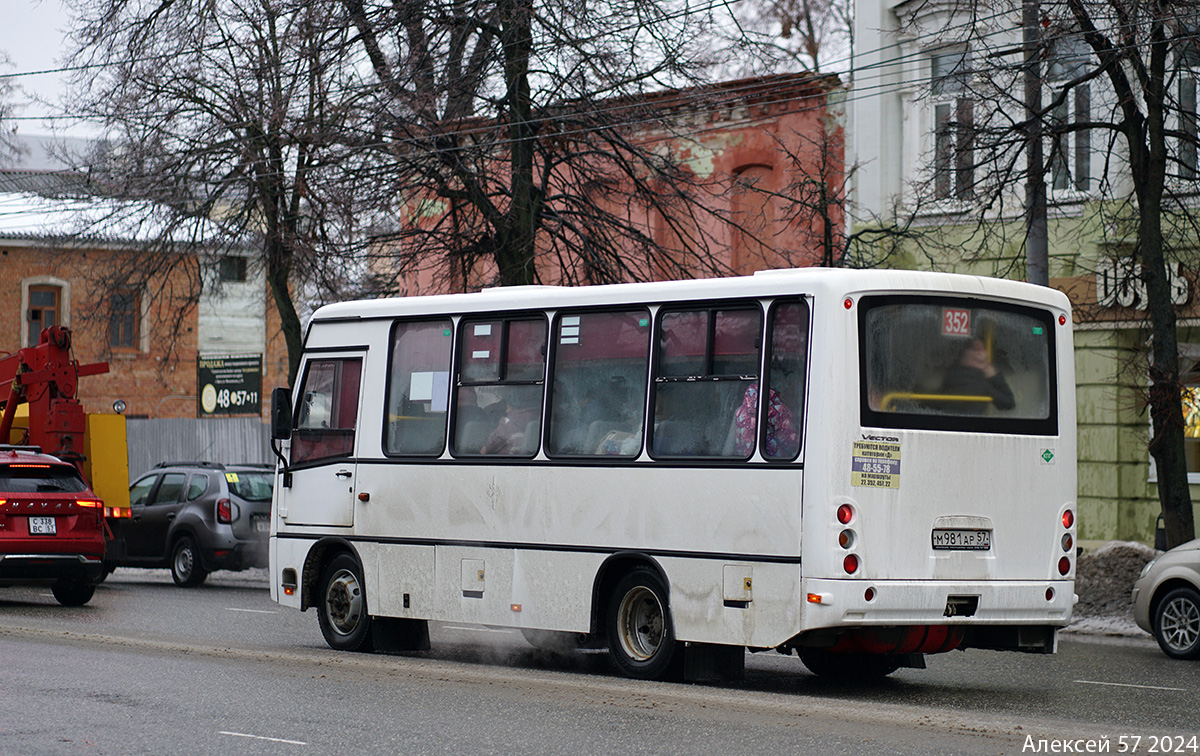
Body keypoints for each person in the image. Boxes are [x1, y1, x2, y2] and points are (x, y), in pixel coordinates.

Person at [940, 338, 1015, 412]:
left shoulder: (949, 378)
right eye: (975, 349)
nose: (981, 353)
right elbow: (1009, 403)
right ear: (962, 357)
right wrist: (994, 377)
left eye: (983, 349)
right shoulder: (981, 385)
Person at [733, 383, 798, 458]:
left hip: (748, 461)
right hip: (776, 462)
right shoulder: (780, 411)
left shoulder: (740, 412)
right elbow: (788, 443)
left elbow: (739, 444)